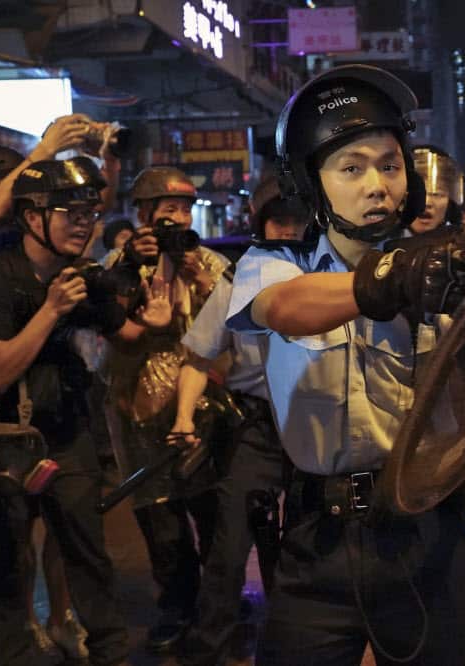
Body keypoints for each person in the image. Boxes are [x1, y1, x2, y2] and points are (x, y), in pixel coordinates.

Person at [225, 64, 465, 665]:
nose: (378, 185)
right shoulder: (273, 263)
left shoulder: (449, 268)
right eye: (352, 168)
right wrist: (398, 277)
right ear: (309, 184)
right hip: (316, 542)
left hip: (429, 537)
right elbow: (288, 309)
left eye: (391, 165)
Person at [0, 157, 142, 666]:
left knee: (90, 559)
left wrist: (139, 282)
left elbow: (130, 333)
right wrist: (52, 310)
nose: (84, 223)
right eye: (71, 212)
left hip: (67, 435)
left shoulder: (78, 275)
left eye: (90, 213)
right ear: (32, 216)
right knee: (6, 569)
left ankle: (112, 655)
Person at [173, 174, 302, 666]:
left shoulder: (332, 275)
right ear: (261, 224)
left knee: (300, 551)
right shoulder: (237, 280)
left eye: (297, 221)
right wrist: (184, 416)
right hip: (257, 431)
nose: (288, 231)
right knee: (228, 552)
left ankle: (294, 648)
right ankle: (212, 651)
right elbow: (198, 358)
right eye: (278, 221)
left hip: (316, 427)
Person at [102, 165, 229, 653]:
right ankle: (176, 605)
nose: (178, 220)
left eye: (185, 209)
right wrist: (133, 268)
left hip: (200, 404)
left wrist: (197, 277)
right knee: (158, 516)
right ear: (142, 214)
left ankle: (216, 604)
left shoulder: (207, 259)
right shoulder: (121, 260)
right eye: (168, 210)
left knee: (212, 510)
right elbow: (106, 325)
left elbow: (232, 322)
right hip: (136, 406)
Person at [408, 144, 463, 235]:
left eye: (437, 194)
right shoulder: (381, 247)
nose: (427, 202)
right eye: (416, 192)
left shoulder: (462, 247)